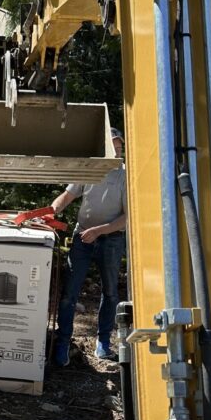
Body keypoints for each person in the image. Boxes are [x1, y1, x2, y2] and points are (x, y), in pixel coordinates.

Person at [49, 127, 127, 366]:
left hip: (111, 239)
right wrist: (49, 212)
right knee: (70, 292)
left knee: (111, 292)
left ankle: (103, 344)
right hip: (82, 237)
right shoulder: (89, 168)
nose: (117, 149)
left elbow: (128, 217)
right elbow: (67, 196)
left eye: (120, 145)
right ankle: (62, 343)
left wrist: (100, 231)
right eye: (113, 144)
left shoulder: (126, 175)